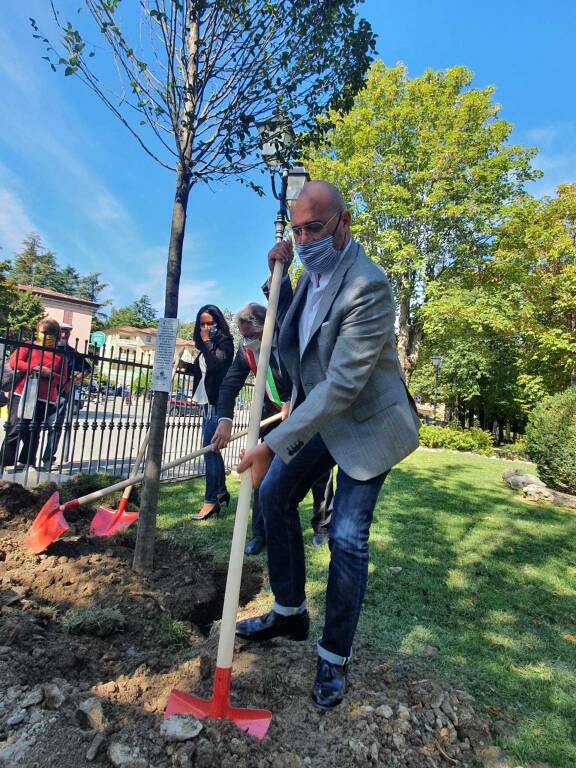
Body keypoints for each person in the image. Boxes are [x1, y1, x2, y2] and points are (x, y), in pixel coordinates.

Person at [235, 181, 420, 709]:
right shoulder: (309, 269)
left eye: (314, 227)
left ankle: (333, 657)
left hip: (365, 423)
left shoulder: (369, 286)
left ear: (344, 223)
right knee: (273, 496)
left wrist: (274, 440)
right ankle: (290, 613)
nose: (305, 237)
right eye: (297, 229)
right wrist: (278, 270)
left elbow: (341, 385)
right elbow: (299, 333)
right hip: (319, 414)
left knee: (346, 536)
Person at [212, 303, 333, 555]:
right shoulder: (245, 349)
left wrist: (294, 399)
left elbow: (308, 371)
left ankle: (322, 526)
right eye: (243, 335)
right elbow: (230, 384)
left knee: (318, 472)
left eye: (251, 335)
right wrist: (225, 419)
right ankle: (261, 533)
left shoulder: (290, 337)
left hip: (305, 409)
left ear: (267, 328)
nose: (246, 340)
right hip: (272, 414)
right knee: (262, 471)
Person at [183, 304, 234, 520]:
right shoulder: (206, 346)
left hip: (218, 404)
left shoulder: (225, 343)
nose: (205, 327)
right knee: (212, 450)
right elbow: (202, 370)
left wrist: (206, 342)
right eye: (202, 324)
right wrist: (184, 366)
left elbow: (216, 366)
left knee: (209, 450)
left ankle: (211, 500)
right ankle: (220, 490)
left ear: (218, 323)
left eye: (210, 323)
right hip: (206, 403)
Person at [0, 318, 68, 471]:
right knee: (14, 428)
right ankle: (5, 463)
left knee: (34, 430)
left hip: (45, 398)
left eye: (50, 333)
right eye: (43, 332)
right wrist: (34, 367)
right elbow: (14, 362)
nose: (46, 335)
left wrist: (49, 373)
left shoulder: (59, 355)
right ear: (38, 332)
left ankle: (28, 462)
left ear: (56, 336)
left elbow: (63, 378)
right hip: (21, 393)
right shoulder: (28, 346)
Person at [40, 322, 92, 470]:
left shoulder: (71, 352)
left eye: (67, 332)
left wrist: (71, 382)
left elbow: (87, 369)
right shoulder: (45, 347)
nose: (64, 335)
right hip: (40, 391)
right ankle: (27, 460)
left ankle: (48, 460)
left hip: (60, 392)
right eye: (62, 331)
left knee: (55, 426)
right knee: (32, 425)